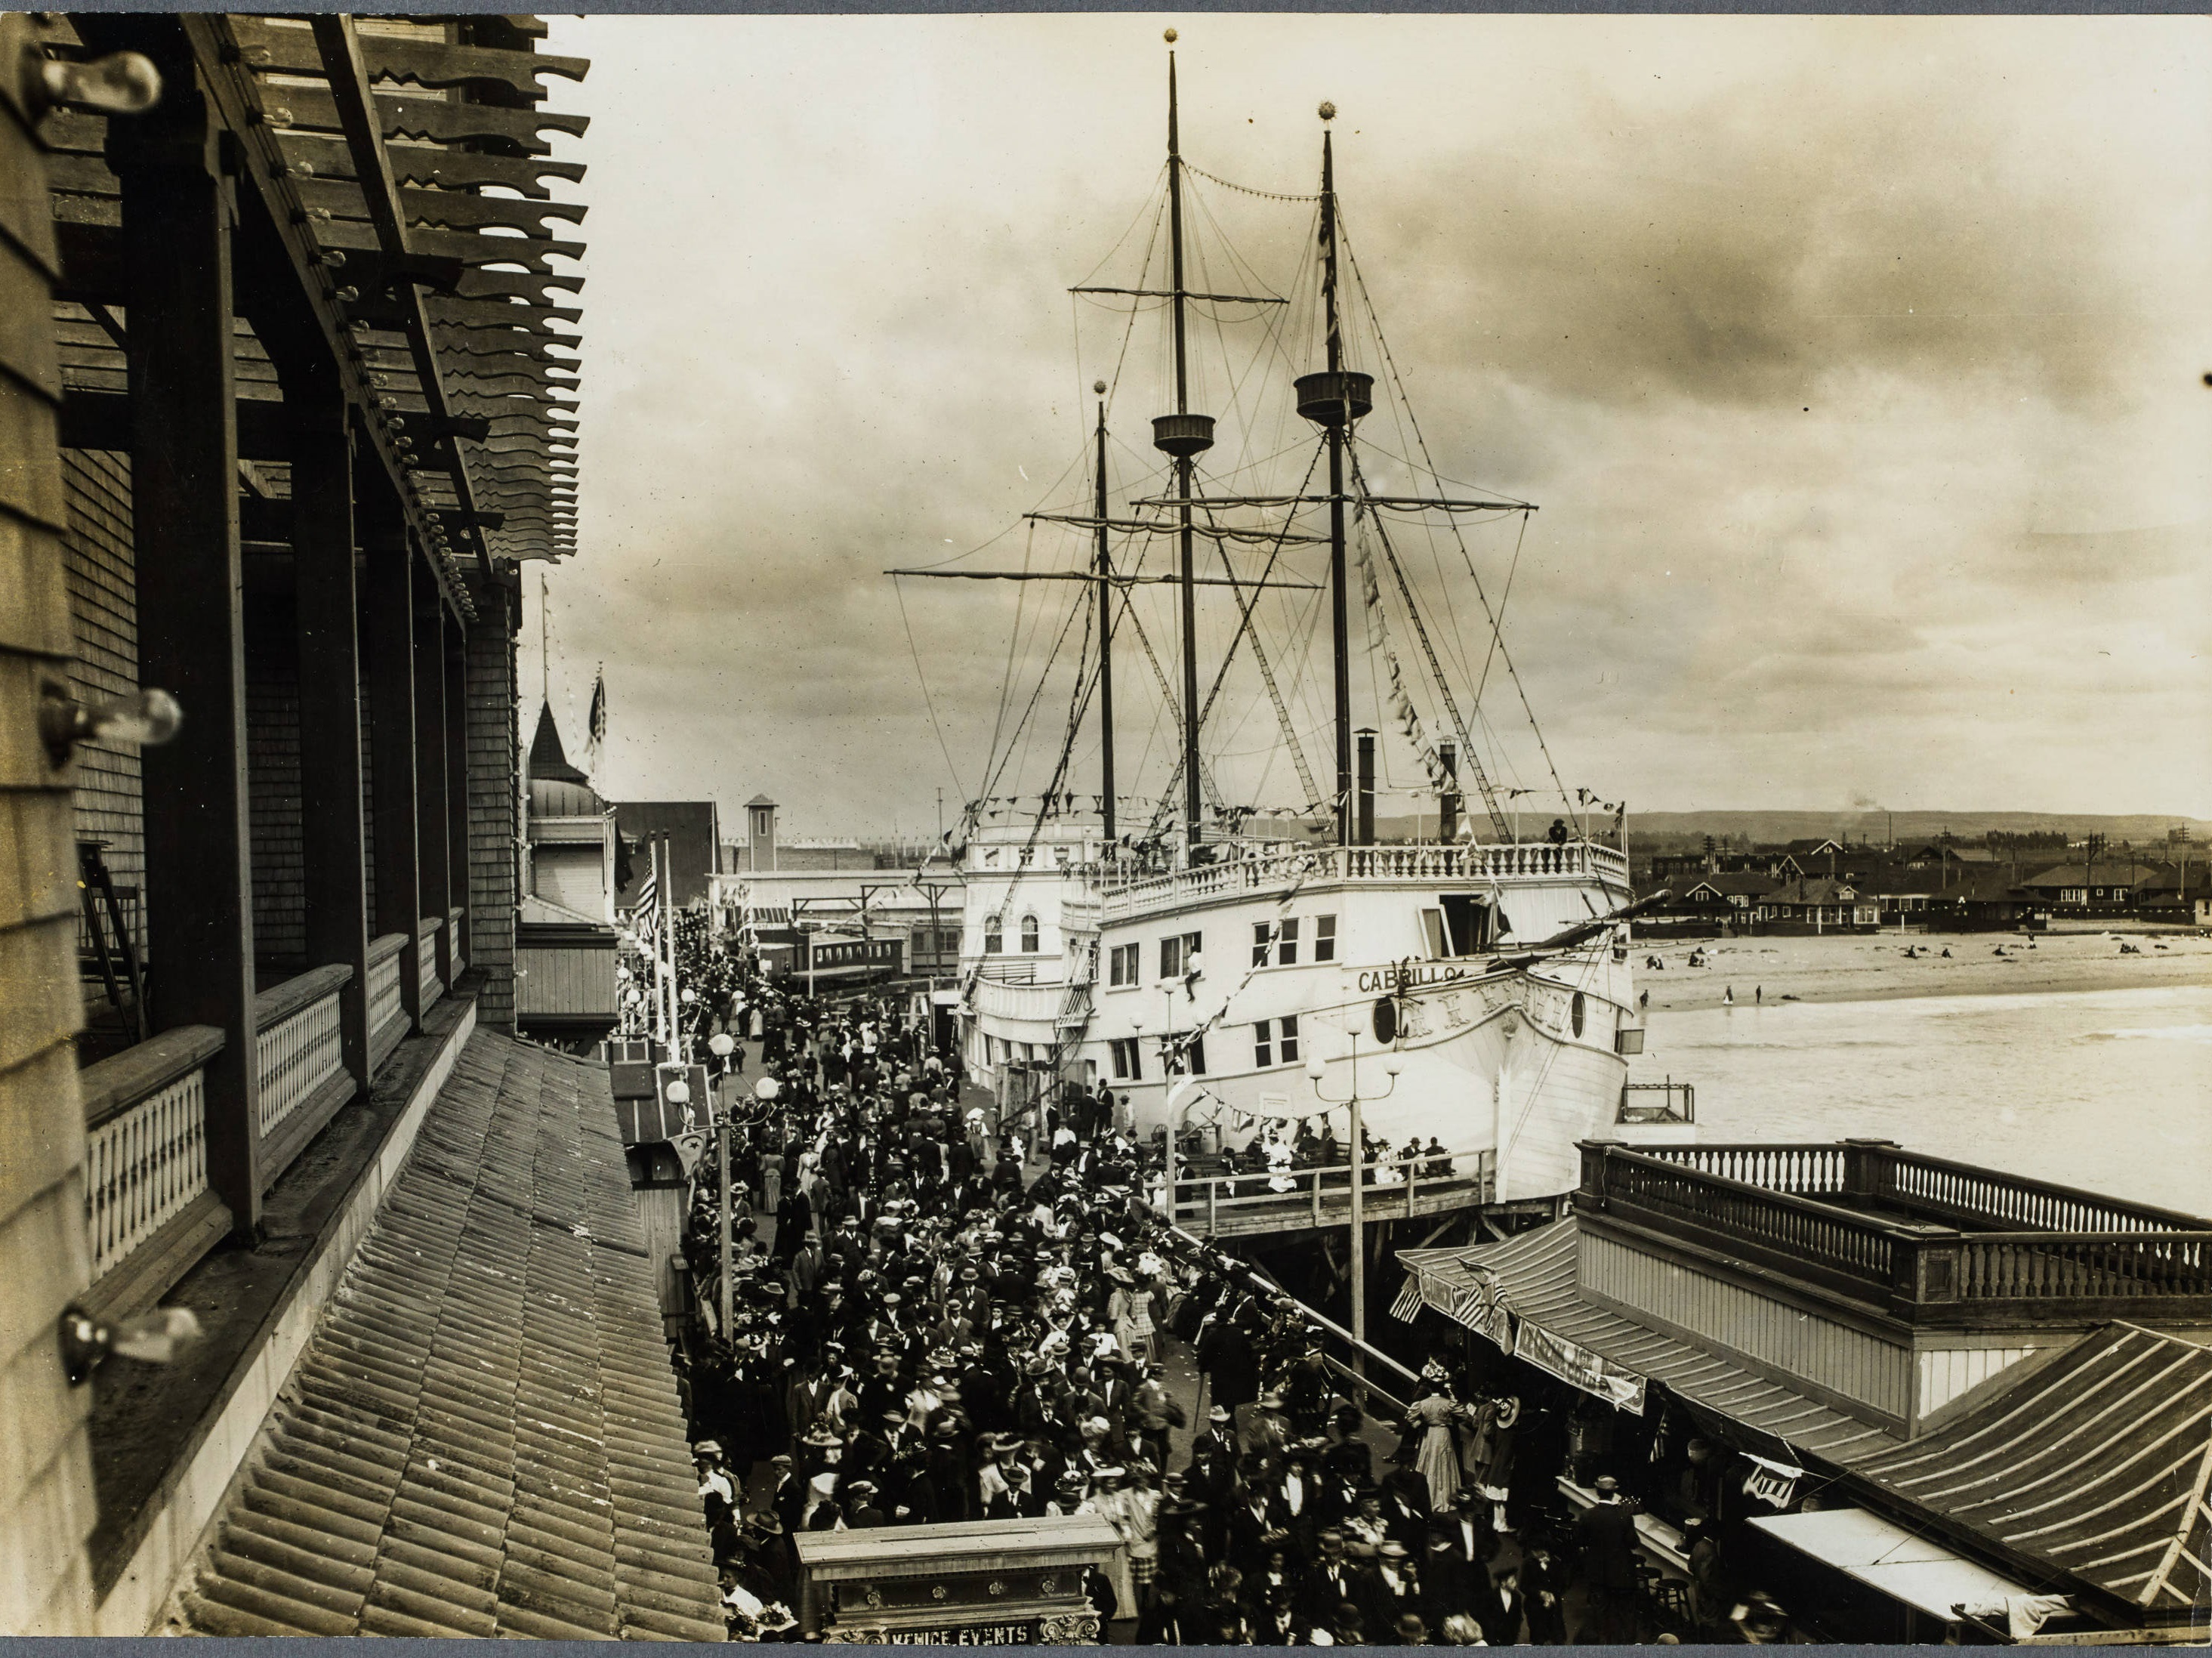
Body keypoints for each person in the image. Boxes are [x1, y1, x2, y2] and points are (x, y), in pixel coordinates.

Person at [1575, 1474, 1641, 1644]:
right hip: (1621, 1574)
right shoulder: (1624, 1517)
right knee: (1626, 1614)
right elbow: (1633, 1543)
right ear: (1613, 1494)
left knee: (1601, 1616)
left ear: (1597, 1492)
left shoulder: (1587, 1516)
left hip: (1598, 1574)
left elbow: (1580, 1541)